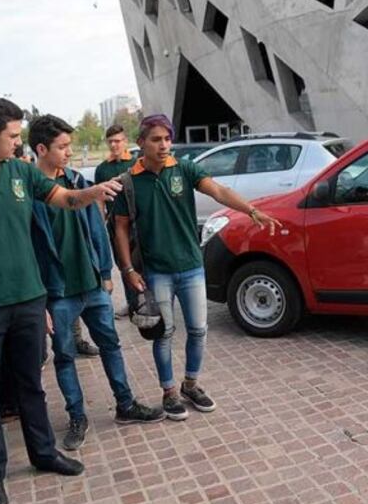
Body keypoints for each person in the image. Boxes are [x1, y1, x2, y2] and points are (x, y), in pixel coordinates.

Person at [0, 98, 124, 504]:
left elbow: (63, 198)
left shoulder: (19, 172)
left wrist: (93, 193)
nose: (19, 142)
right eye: (14, 135)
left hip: (29, 301)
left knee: (31, 385)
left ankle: (44, 453)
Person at [112, 114, 281, 420]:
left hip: (191, 266)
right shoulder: (129, 182)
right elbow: (120, 229)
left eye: (167, 139)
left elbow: (219, 191)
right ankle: (169, 392)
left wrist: (252, 210)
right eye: (156, 139)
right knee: (163, 333)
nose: (164, 145)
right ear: (141, 143)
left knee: (198, 330)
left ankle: (190, 384)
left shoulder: (185, 169)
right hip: (156, 271)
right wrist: (128, 270)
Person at [28, 115, 165, 451]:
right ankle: (77, 416)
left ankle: (125, 404)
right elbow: (26, 248)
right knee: (64, 355)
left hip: (92, 285)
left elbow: (97, 231)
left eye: (69, 146)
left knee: (111, 345)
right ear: (41, 149)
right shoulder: (28, 192)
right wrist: (39, 298)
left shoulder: (77, 181)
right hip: (57, 292)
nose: (69, 152)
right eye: (62, 147)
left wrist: (105, 273)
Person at [95, 124, 136, 321]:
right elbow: (99, 199)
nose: (114, 145)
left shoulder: (136, 164)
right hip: (115, 225)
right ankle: (132, 303)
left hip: (138, 223)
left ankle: (145, 302)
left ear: (125, 141)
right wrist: (98, 225)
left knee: (142, 263)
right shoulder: (102, 169)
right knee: (124, 265)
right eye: (110, 141)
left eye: (118, 141)